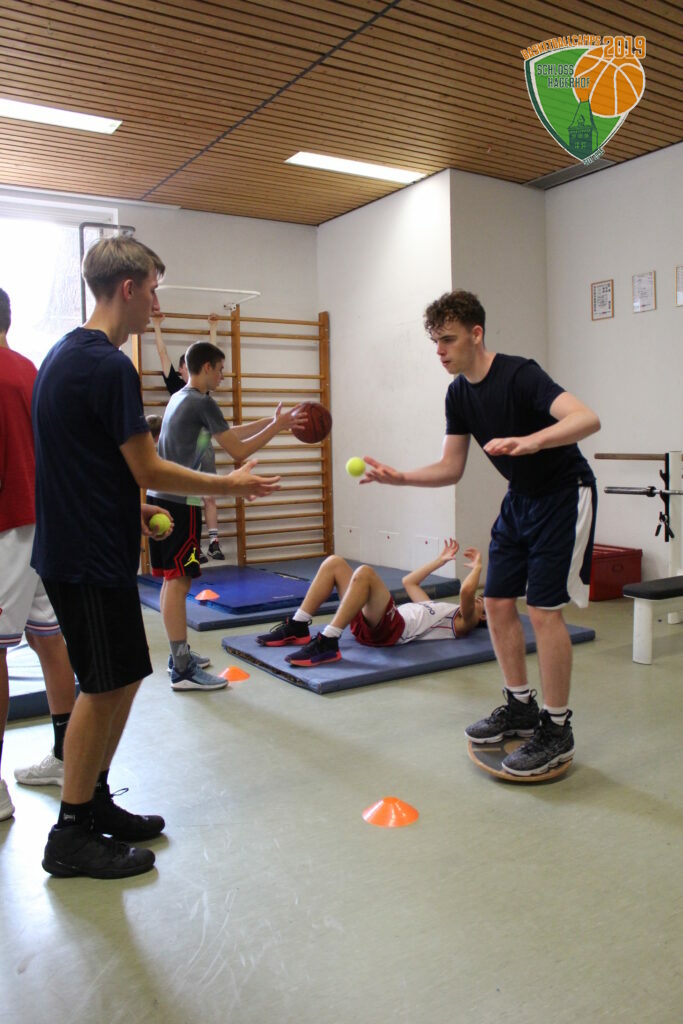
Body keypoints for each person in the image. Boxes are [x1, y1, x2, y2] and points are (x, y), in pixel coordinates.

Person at [31, 236, 281, 878]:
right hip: (86, 555)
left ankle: (95, 801)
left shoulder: (64, 355)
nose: (157, 304)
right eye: (153, 289)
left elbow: (81, 460)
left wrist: (129, 507)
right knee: (101, 686)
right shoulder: (107, 366)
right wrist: (231, 485)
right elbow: (146, 465)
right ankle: (71, 833)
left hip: (85, 544)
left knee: (123, 676)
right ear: (129, 289)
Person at [362, 290, 600, 777]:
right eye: (435, 341)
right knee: (495, 602)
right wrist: (400, 477)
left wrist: (532, 441)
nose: (440, 351)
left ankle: (557, 728)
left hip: (563, 494)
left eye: (448, 340)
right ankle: (520, 707)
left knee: (543, 611)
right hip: (520, 499)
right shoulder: (459, 394)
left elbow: (586, 419)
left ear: (476, 334)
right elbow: (451, 467)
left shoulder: (520, 374)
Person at [148, 339, 308, 691]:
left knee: (172, 580)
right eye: (220, 369)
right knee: (179, 581)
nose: (223, 376)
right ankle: (182, 669)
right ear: (206, 367)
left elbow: (228, 433)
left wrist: (274, 421)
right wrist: (277, 427)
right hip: (180, 503)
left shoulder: (181, 397)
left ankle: (178, 654)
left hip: (163, 499)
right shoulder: (202, 401)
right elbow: (238, 450)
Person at [0, 289, 77, 822]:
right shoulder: (30, 370)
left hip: (7, 526)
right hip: (42, 523)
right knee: (48, 640)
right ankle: (67, 757)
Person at [256, 540, 486, 666]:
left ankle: (328, 641)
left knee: (365, 573)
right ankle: (299, 626)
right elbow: (409, 582)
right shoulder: (437, 609)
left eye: (481, 601)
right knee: (334, 562)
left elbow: (466, 591)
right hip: (375, 621)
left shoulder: (464, 622)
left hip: (392, 630)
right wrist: (439, 561)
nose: (478, 599)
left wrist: (477, 568)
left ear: (483, 616)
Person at [152, 312, 222, 563]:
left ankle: (213, 542)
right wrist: (156, 325)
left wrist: (213, 328)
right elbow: (163, 354)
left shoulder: (203, 392)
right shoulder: (177, 389)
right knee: (190, 497)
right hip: (185, 449)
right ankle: (194, 546)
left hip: (203, 443)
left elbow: (211, 359)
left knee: (208, 494)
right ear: (183, 369)